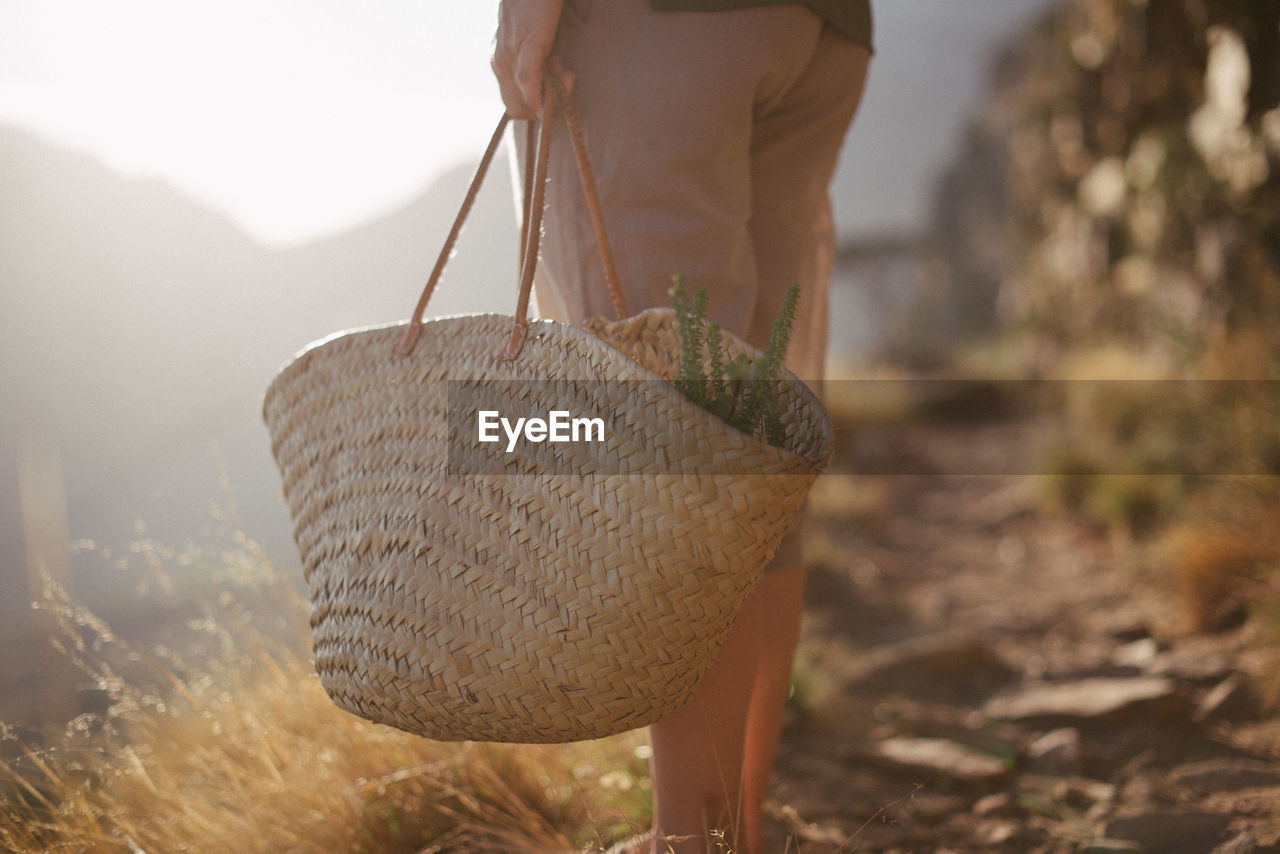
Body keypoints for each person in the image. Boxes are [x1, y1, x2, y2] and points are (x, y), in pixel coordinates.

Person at [491, 3, 872, 852]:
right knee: (752, 449)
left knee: (669, 448)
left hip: (655, 26)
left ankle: (687, 840)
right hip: (825, 31)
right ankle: (731, 832)